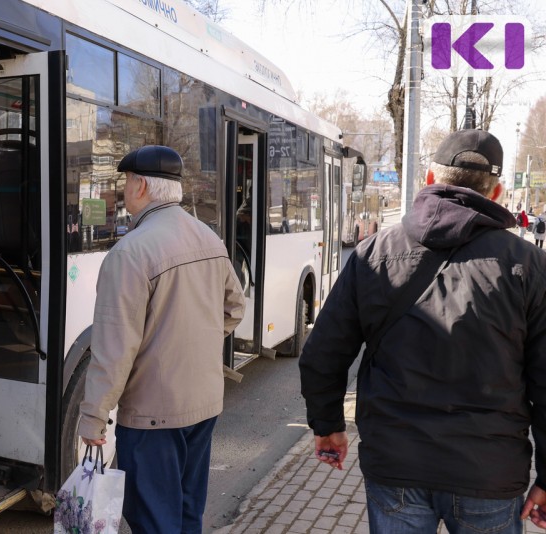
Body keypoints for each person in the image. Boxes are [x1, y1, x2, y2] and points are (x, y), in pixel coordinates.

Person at [299, 129, 546, 533]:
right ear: (497, 192)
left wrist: (328, 426)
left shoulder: (373, 254)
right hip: (489, 472)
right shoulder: (530, 266)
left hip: (396, 464)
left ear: (430, 180)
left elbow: (323, 352)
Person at [78, 145, 245, 534]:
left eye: (125, 182)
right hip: (203, 405)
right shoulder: (209, 238)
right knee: (188, 514)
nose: (123, 191)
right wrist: (194, 340)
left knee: (154, 521)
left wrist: (93, 417)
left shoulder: (130, 253)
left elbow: (114, 351)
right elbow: (235, 309)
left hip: (152, 415)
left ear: (140, 186)